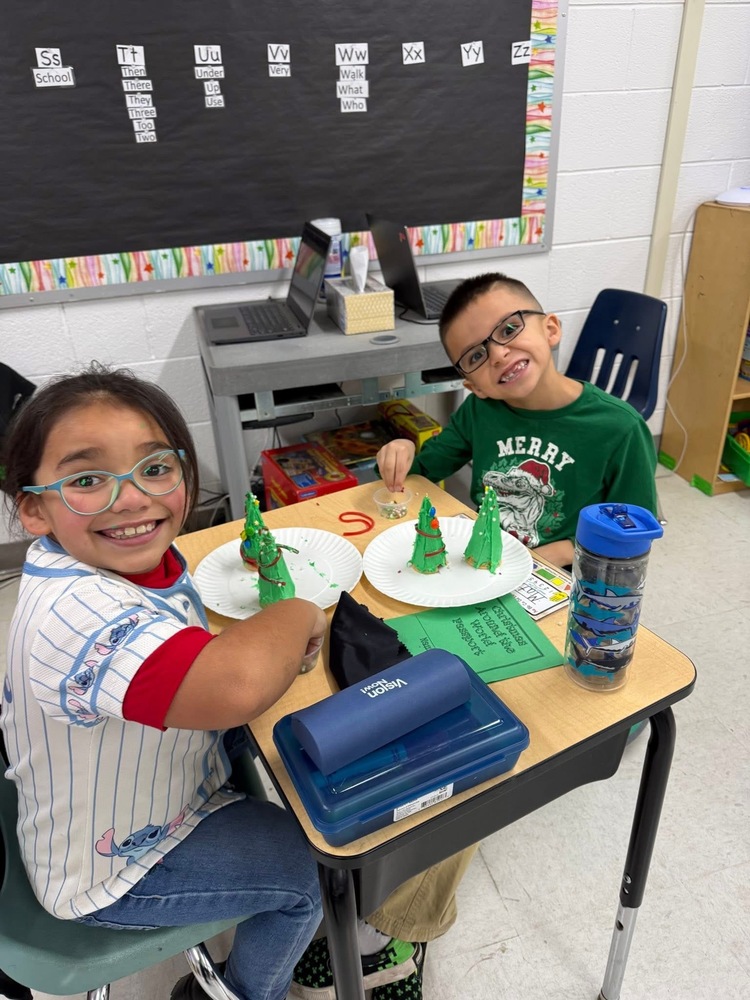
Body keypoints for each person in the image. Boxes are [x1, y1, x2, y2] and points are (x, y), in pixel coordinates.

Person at [0, 364, 329, 1000]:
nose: (131, 499)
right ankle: (242, 992)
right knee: (302, 875)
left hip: (151, 782)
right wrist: (298, 612)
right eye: (87, 480)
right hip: (108, 871)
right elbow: (235, 686)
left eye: (154, 468)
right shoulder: (77, 614)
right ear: (34, 508)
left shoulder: (118, 558)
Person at [376, 272, 658, 569]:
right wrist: (402, 449)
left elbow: (634, 533)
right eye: (476, 357)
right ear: (475, 387)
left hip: (569, 574)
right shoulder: (478, 411)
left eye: (509, 329)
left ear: (550, 330)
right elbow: (417, 475)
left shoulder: (621, 428)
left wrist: (567, 550)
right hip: (487, 563)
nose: (498, 354)